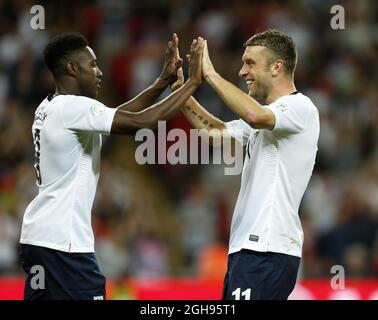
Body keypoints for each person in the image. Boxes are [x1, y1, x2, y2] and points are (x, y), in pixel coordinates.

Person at [19, 32, 204, 300]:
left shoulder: (49, 106)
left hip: (38, 240)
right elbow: (141, 123)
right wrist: (193, 83)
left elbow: (124, 115)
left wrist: (162, 81)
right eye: (92, 65)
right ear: (72, 68)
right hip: (65, 243)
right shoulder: (74, 108)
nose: (100, 72)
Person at [176, 30, 320, 300]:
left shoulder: (301, 108)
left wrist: (211, 74)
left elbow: (254, 114)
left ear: (277, 67)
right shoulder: (268, 118)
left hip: (267, 248)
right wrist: (182, 92)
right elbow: (215, 132)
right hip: (248, 249)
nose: (242, 71)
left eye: (250, 62)